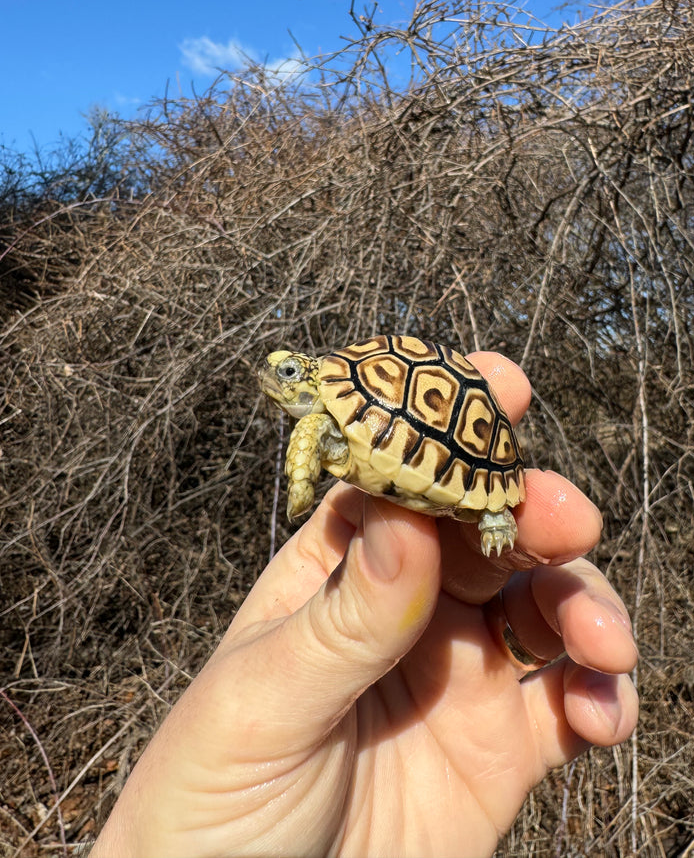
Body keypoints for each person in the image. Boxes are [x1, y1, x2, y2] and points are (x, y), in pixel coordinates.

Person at [90, 351, 638, 857]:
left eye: (286, 373)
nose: (275, 379)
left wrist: (301, 481)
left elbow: (312, 445)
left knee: (500, 523)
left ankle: (490, 509)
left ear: (308, 376)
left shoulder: (323, 419)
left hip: (465, 471)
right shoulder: (329, 418)